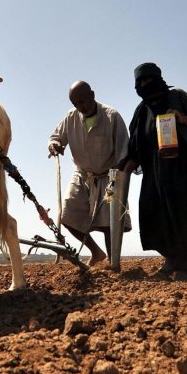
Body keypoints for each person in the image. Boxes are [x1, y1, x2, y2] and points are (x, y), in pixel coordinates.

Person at [119, 62, 187, 280]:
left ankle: (185, 268)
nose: (145, 85)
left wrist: (182, 118)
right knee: (153, 217)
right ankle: (173, 260)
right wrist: (122, 174)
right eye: (140, 82)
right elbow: (135, 149)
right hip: (156, 174)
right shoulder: (141, 111)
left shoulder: (178, 97)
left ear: (159, 79)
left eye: (149, 80)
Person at [48, 81, 131, 266]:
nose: (80, 107)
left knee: (110, 220)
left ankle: (113, 261)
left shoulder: (112, 117)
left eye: (83, 102)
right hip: (82, 174)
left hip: (109, 176)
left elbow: (124, 151)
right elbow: (55, 137)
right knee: (67, 215)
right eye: (75, 104)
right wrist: (55, 145)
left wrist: (119, 178)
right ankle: (96, 252)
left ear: (92, 95)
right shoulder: (71, 117)